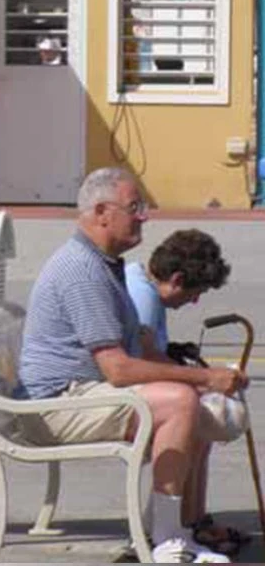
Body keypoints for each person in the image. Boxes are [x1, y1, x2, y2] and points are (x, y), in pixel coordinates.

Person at [19, 167, 247, 563]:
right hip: (57, 404)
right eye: (135, 207)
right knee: (179, 403)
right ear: (103, 212)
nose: (144, 216)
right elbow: (119, 371)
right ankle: (167, 540)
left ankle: (177, 529)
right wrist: (205, 377)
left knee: (189, 398)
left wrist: (203, 384)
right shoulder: (83, 271)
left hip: (77, 392)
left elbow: (138, 348)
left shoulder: (104, 264)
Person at [125, 230, 244, 556]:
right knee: (195, 414)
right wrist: (204, 380)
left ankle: (190, 518)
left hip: (127, 387)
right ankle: (183, 524)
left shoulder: (144, 286)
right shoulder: (143, 295)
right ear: (177, 279)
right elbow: (145, 359)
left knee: (196, 409)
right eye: (196, 293)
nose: (194, 302)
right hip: (118, 394)